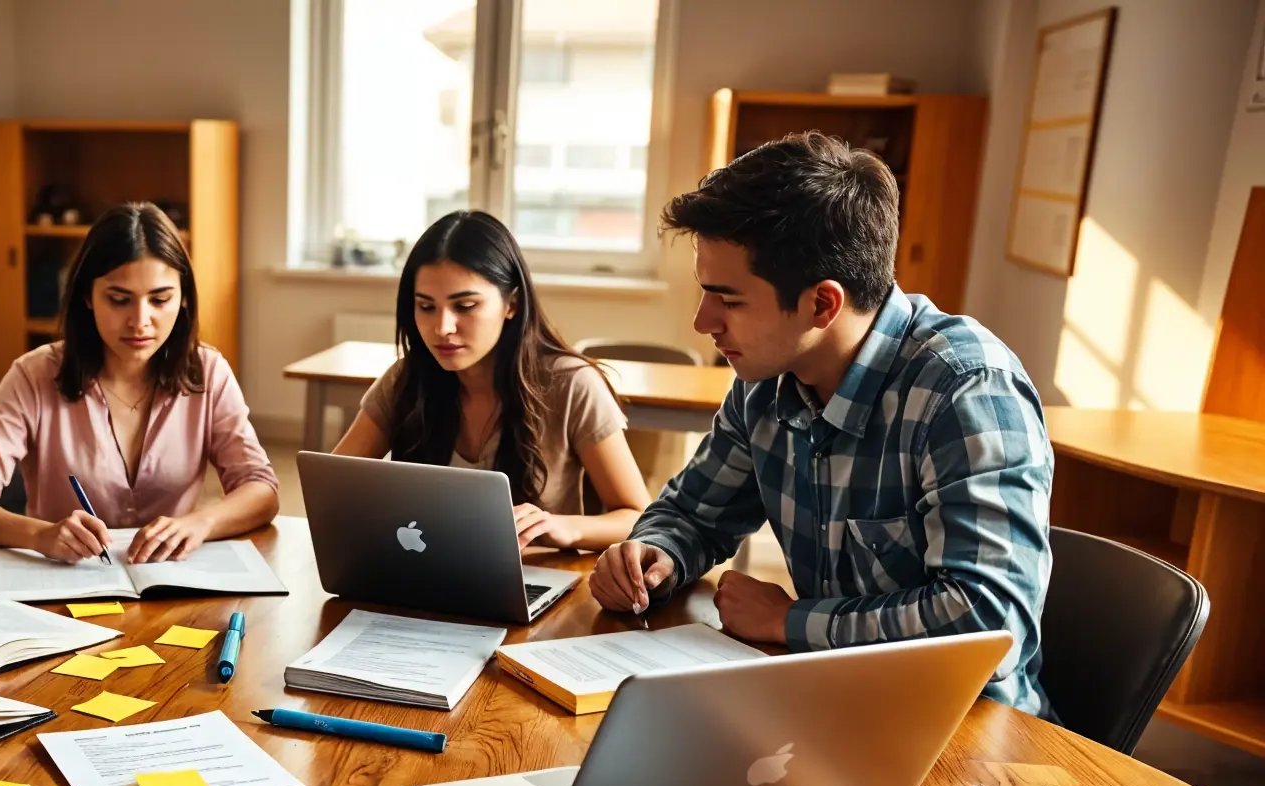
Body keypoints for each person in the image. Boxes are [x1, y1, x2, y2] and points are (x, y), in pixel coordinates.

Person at [588, 131, 1053, 717]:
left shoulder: (965, 391)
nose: (702, 321)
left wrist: (789, 621)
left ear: (822, 305)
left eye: (727, 300)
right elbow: (692, 516)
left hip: (965, 734)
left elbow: (991, 626)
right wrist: (652, 555)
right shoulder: (765, 382)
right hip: (823, 709)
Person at [0, 202, 278, 563]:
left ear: (185, 298)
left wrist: (200, 523)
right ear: (87, 296)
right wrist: (39, 535)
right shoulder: (34, 375)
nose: (140, 321)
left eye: (160, 299)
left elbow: (261, 488)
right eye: (118, 300)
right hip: (63, 589)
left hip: (170, 585)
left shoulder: (208, 372)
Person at [331, 210, 650, 550]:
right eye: (426, 307)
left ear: (511, 304)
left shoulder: (572, 385)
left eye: (465, 306)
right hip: (421, 577)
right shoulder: (405, 379)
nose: (442, 328)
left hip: (534, 579)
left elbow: (638, 516)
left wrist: (565, 527)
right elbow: (331, 490)